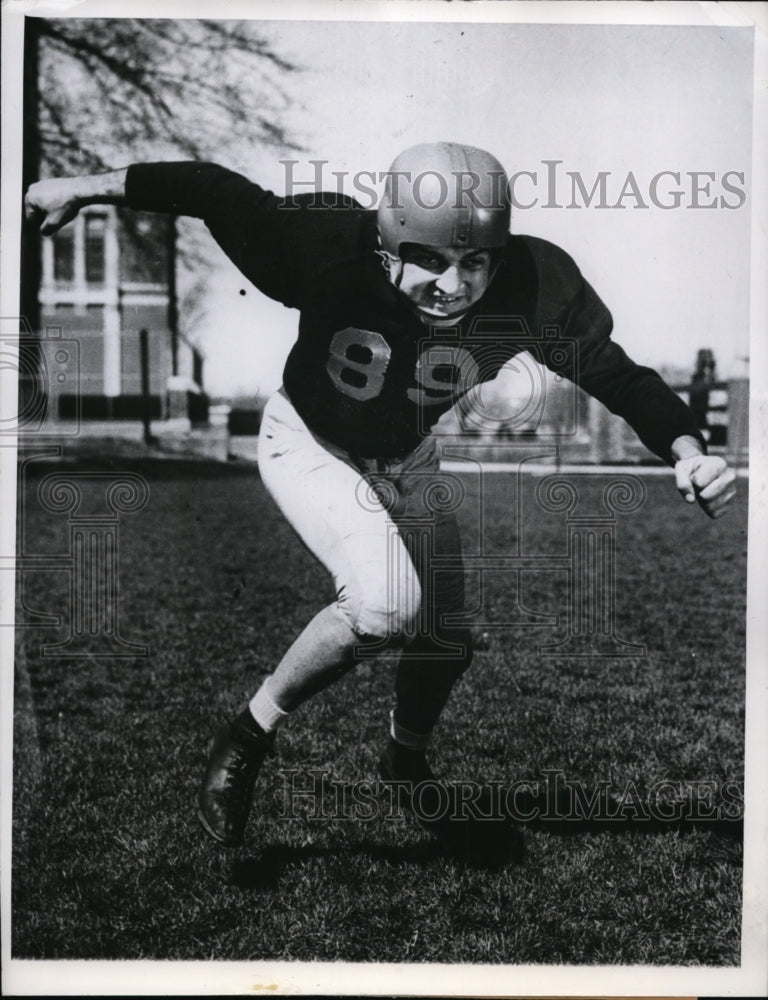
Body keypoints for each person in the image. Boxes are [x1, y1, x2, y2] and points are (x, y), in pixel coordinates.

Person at [25, 142, 737, 859]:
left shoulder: (536, 284)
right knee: (386, 604)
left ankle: (404, 762)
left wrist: (688, 449)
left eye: (475, 261)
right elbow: (214, 190)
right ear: (386, 246)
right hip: (311, 439)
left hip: (407, 456)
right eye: (428, 259)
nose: (454, 284)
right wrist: (83, 188)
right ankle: (248, 734)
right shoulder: (326, 247)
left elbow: (618, 375)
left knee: (446, 636)